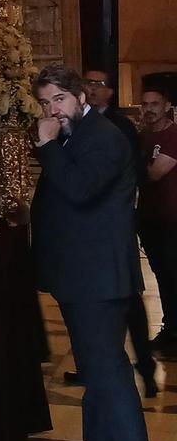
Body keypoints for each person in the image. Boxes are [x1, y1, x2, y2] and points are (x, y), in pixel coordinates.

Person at [31, 65, 164, 441]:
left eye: (59, 100)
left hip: (99, 278)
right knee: (98, 372)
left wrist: (47, 145)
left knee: (110, 376)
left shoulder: (102, 136)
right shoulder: (76, 136)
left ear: (79, 95)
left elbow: (81, 190)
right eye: (46, 103)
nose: (53, 110)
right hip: (81, 274)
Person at [77, 69, 155, 395]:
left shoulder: (119, 127)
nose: (92, 89)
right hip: (87, 230)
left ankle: (145, 368)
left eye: (99, 84)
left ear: (110, 92)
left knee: (126, 297)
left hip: (113, 226)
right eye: (88, 83)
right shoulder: (78, 125)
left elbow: (133, 175)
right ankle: (91, 364)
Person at [138, 77, 177, 357]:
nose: (149, 109)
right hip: (150, 219)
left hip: (172, 220)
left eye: (155, 104)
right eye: (145, 104)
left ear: (167, 106)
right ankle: (170, 327)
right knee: (163, 276)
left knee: (173, 276)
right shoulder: (144, 137)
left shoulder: (173, 136)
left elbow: (154, 173)